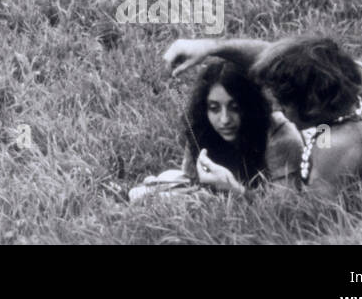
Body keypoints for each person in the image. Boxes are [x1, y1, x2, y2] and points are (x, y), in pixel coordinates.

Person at [164, 36, 362, 198]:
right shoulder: (347, 77)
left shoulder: (338, 147)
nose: (279, 109)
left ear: (309, 102)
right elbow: (271, 58)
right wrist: (211, 48)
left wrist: (236, 190)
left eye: (284, 102)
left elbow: (299, 218)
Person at [129, 59, 302, 203]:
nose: (225, 119)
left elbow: (285, 205)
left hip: (257, 206)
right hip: (222, 198)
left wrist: (234, 190)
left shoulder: (279, 134)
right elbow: (192, 179)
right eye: (214, 108)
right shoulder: (201, 125)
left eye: (235, 107)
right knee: (161, 181)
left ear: (250, 106)